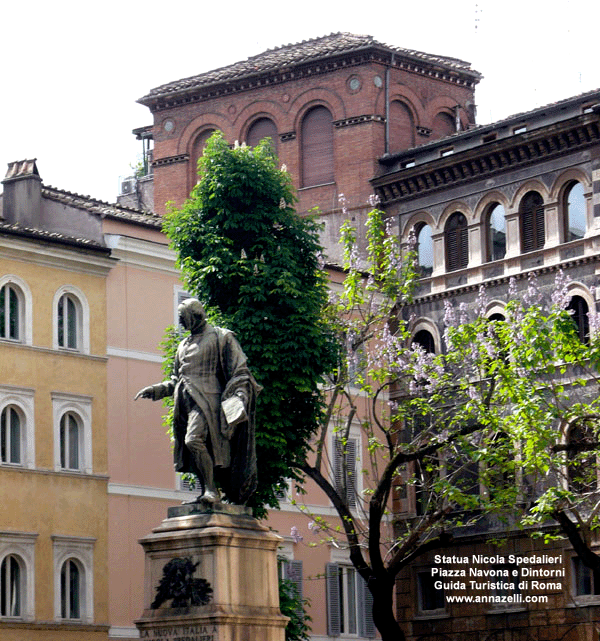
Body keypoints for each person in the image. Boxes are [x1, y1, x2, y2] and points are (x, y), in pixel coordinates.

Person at [135, 298, 260, 504]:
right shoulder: (183, 345)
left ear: (197, 316)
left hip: (209, 403)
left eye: (183, 318)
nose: (181, 323)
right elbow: (177, 379)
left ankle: (212, 490)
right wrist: (157, 389)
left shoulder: (222, 337)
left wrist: (239, 398)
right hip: (184, 403)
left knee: (193, 440)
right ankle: (206, 492)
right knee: (191, 449)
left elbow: (240, 372)